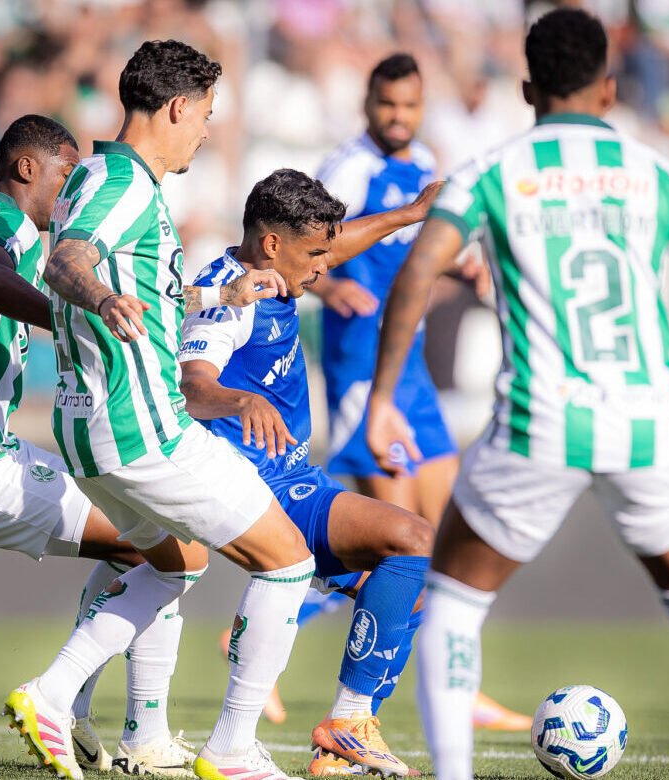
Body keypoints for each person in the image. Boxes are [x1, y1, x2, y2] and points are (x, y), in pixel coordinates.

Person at [365, 9, 669, 780]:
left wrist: (382, 397)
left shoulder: (494, 170)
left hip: (542, 424)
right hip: (650, 429)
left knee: (455, 605)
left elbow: (418, 269)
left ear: (529, 87)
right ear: (607, 88)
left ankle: (455, 774)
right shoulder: (656, 172)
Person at [0, 114, 215, 777]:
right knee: (175, 550)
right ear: (27, 169)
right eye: (66, 173)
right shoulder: (3, 232)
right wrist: (66, 315)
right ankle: (107, 720)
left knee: (147, 535)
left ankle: (84, 713)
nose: (76, 188)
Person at [6, 41, 315, 780]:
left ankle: (52, 696)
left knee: (176, 563)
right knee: (287, 563)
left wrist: (220, 297)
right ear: (177, 107)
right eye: (205, 115)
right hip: (141, 425)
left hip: (87, 428)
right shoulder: (127, 184)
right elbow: (66, 262)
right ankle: (232, 750)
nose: (205, 131)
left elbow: (145, 289)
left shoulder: (94, 176)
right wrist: (102, 296)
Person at [180, 169, 441, 777]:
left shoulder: (277, 271)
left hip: (297, 476)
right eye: (316, 253)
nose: (326, 265)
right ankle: (347, 721)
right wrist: (240, 401)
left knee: (414, 586)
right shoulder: (232, 296)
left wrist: (410, 213)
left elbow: (336, 243)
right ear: (273, 244)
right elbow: (194, 386)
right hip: (266, 488)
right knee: (415, 541)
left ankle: (339, 750)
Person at [310, 51, 528, 734]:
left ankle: (461, 686)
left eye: (408, 105)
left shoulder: (427, 157)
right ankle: (326, 673)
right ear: (368, 104)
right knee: (398, 545)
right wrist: (328, 282)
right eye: (387, 105)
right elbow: (295, 249)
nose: (397, 117)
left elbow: (418, 255)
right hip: (362, 375)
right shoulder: (347, 169)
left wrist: (465, 270)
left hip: (413, 376)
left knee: (452, 541)